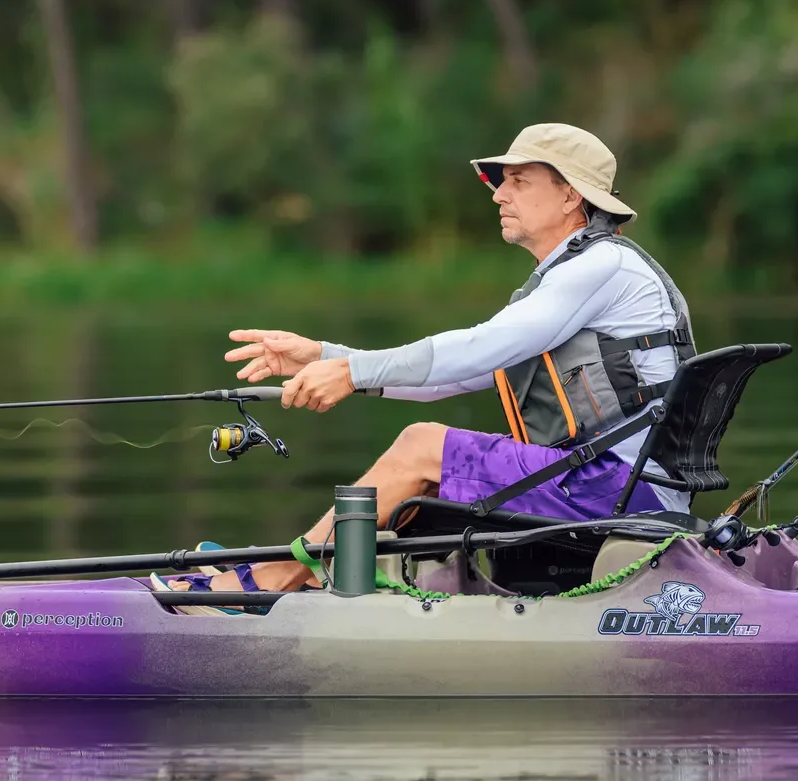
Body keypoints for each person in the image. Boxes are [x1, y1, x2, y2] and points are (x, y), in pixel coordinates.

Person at [184, 123, 695, 598]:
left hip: (621, 491)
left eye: (518, 181)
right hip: (613, 484)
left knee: (420, 445)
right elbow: (467, 372)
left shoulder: (601, 266)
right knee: (425, 455)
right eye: (501, 183)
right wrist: (326, 356)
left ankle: (275, 580)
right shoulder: (577, 273)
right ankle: (327, 575)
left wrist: (350, 373)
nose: (498, 194)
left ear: (570, 195)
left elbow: (477, 349)